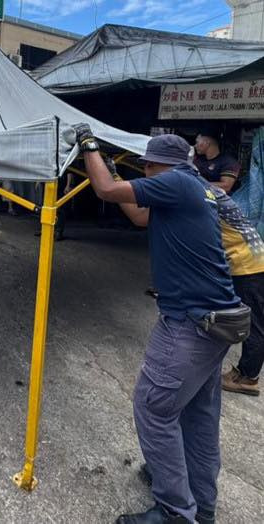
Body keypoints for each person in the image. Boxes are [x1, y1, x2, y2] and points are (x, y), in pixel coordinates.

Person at [75, 126, 242, 524]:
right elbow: (138, 216)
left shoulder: (176, 183)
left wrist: (89, 146)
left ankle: (174, 510)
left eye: (145, 168)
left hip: (190, 323)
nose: (145, 174)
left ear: (154, 166)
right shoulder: (194, 186)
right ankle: (200, 503)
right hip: (216, 322)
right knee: (197, 416)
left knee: (153, 407)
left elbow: (104, 190)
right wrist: (115, 169)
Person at [211, 189, 264, 396]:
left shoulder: (207, 199)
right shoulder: (222, 199)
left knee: (254, 324)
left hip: (248, 267)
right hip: (255, 261)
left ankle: (248, 378)